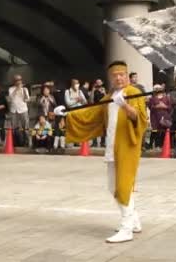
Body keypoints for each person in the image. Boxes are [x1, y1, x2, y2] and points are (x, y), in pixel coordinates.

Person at [55, 60, 147, 244]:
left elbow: (140, 118)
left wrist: (125, 106)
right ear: (111, 78)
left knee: (122, 185)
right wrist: (68, 114)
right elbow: (91, 113)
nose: (119, 77)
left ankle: (126, 227)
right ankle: (134, 220)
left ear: (127, 76)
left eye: (122, 74)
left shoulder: (134, 93)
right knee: (113, 187)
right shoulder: (108, 96)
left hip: (127, 146)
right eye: (115, 75)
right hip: (112, 146)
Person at [8, 75, 31, 147]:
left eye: (19, 80)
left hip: (23, 109)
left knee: (26, 127)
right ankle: (15, 143)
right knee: (14, 127)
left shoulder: (25, 89)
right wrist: (17, 89)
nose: (18, 81)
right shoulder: (11, 89)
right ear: (14, 81)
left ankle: (26, 142)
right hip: (14, 110)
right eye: (16, 80)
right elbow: (11, 98)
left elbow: (27, 99)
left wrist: (22, 91)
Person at [148, 85, 172, 150]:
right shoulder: (152, 98)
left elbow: (170, 107)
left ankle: (161, 145)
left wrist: (165, 106)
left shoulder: (167, 98)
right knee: (155, 131)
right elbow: (150, 107)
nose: (158, 90)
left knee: (163, 131)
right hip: (155, 117)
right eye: (156, 88)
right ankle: (152, 145)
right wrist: (157, 106)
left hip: (164, 117)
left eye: (159, 88)